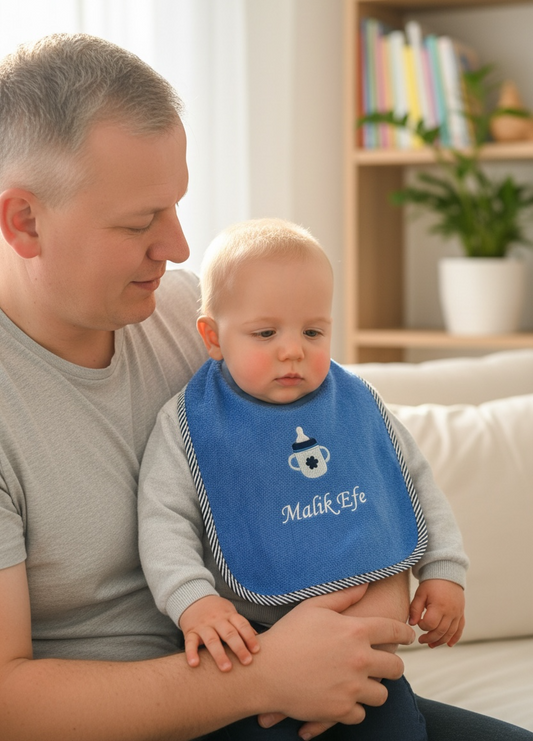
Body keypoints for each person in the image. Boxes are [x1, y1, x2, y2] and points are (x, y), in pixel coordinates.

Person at [0, 33, 530, 741]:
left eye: (176, 205)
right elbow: (7, 697)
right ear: (25, 221)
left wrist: (380, 589)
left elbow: (354, 454)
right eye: (138, 223)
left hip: (294, 687)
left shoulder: (197, 319)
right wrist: (259, 676)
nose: (179, 246)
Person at [137, 218, 467, 740]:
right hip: (250, 648)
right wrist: (194, 601)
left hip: (364, 654)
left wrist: (444, 568)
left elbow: (412, 480)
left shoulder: (354, 404)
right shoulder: (191, 424)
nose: (292, 350)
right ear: (212, 336)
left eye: (313, 331)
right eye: (266, 333)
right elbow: (163, 519)